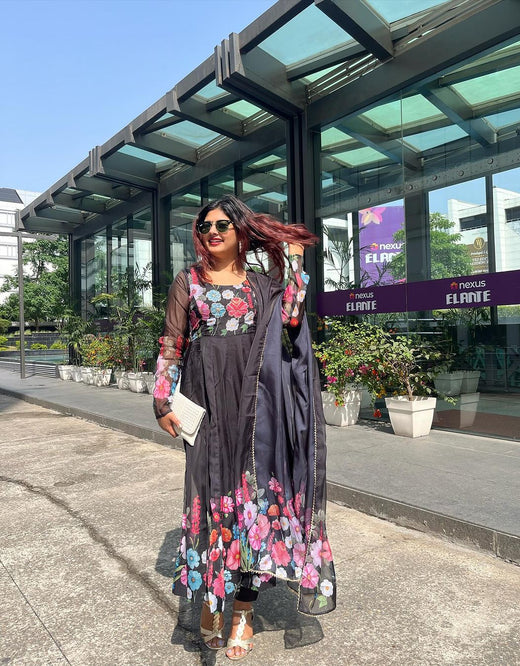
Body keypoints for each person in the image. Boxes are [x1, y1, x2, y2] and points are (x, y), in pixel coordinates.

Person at [153, 195, 336, 660]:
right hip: (207, 404)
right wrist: (161, 399)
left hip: (256, 409)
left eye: (222, 225)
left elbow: (292, 315)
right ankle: (211, 600)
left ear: (241, 232)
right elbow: (172, 341)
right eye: (205, 226)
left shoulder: (260, 284)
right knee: (212, 499)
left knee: (252, 506)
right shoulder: (189, 281)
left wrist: (294, 258)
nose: (212, 232)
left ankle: (242, 611)